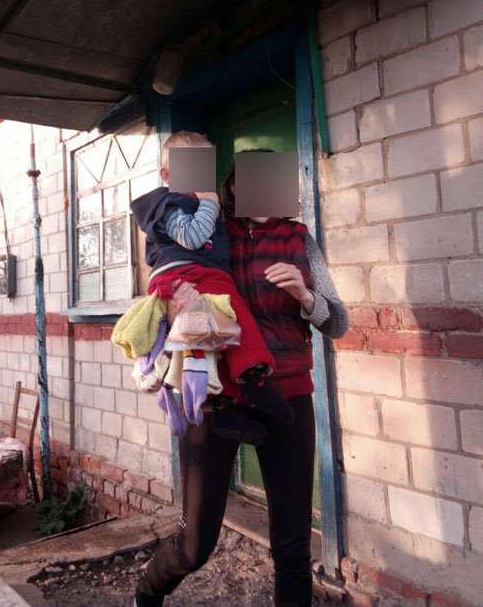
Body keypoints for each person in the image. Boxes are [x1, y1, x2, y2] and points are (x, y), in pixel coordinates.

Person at [134, 154, 349, 607]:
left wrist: (306, 296)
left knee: (292, 545)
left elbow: (338, 323)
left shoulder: (299, 239)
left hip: (287, 395)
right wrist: (175, 306)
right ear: (235, 188)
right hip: (219, 395)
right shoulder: (212, 234)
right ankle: (147, 592)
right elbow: (162, 281)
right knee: (195, 543)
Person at [129, 131, 295, 445]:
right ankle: (254, 376)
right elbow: (192, 238)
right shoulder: (170, 203)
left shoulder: (293, 234)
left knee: (214, 333)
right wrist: (209, 203)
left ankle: (221, 406)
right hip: (185, 271)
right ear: (167, 175)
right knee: (233, 311)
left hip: (197, 271)